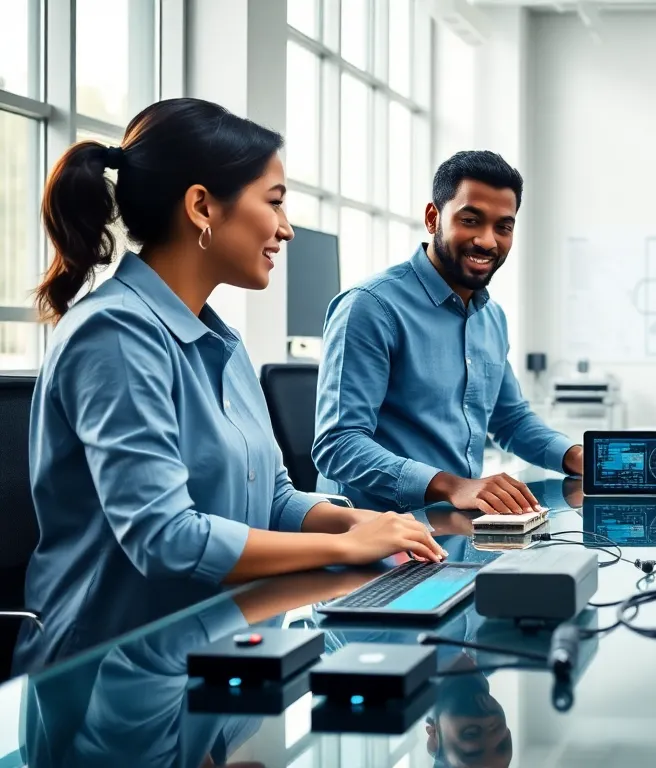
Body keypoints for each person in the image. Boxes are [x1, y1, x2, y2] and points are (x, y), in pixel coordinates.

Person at [17, 98, 446, 675]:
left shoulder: (223, 342)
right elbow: (166, 538)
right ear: (202, 207)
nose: (286, 228)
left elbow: (272, 500)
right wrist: (346, 547)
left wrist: (354, 520)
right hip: (110, 672)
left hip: (220, 645)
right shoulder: (114, 333)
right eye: (275, 201)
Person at [314, 150, 581, 515]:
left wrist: (575, 456)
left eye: (503, 227)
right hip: (374, 529)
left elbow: (510, 420)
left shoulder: (492, 317)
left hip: (455, 524)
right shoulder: (370, 306)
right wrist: (452, 485)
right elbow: (338, 445)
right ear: (432, 218)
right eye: (471, 220)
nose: (487, 241)